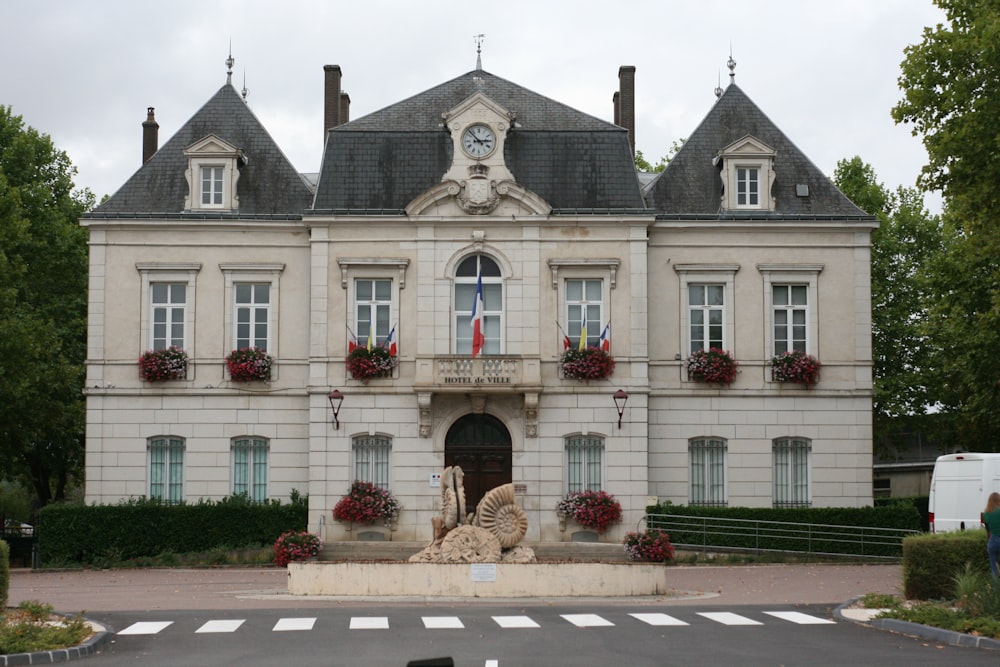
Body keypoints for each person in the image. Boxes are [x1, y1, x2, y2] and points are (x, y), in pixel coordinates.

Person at [983, 491, 1000, 578]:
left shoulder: (986, 514)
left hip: (992, 541)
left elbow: (988, 530)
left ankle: (995, 591)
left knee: (994, 569)